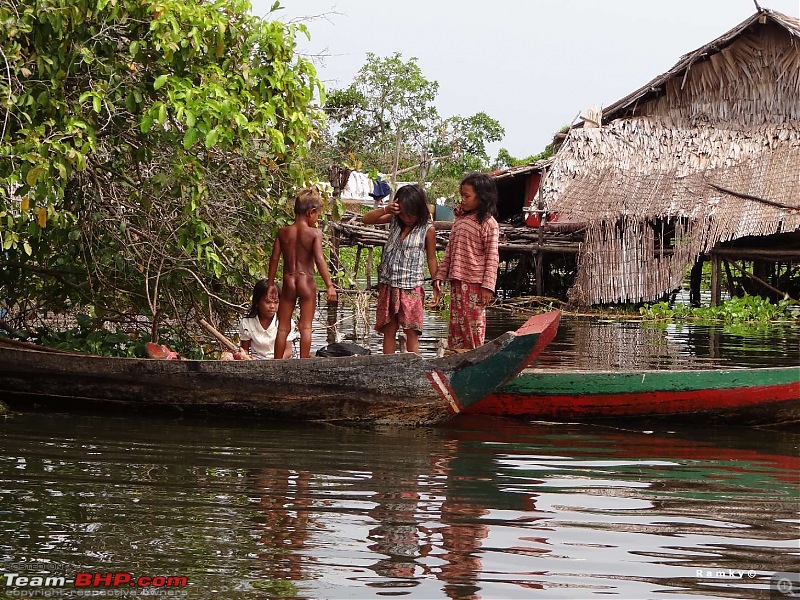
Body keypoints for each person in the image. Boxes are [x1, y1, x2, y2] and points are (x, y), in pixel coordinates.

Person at [362, 184, 439, 354]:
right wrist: (386, 209)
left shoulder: (427, 229)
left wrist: (436, 282)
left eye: (409, 213)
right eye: (402, 212)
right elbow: (366, 219)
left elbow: (431, 258)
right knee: (389, 331)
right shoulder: (394, 220)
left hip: (411, 287)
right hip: (389, 284)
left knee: (411, 332)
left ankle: (413, 370)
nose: (406, 217)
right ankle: (388, 369)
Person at [268, 187, 337, 359]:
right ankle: (303, 364)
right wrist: (329, 285)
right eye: (318, 215)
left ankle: (277, 364)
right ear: (311, 212)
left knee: (283, 327)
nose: (317, 219)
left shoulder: (283, 232)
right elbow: (320, 260)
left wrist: (270, 284)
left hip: (288, 282)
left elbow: (274, 259)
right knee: (305, 327)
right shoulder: (314, 233)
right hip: (306, 282)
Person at [433, 172, 500, 350]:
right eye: (462, 195)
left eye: (467, 196)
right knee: (456, 328)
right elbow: (450, 251)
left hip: (475, 284)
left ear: (482, 198)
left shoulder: (488, 223)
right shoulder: (461, 220)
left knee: (473, 329)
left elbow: (492, 257)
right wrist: (440, 275)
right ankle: (456, 360)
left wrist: (487, 287)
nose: (462, 200)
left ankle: (474, 361)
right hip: (457, 282)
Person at [222, 279, 298, 360]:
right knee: (227, 356)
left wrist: (273, 362)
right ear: (257, 302)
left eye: (276, 302)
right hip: (256, 360)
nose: (272, 306)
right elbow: (245, 350)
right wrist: (242, 355)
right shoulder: (247, 323)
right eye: (268, 302)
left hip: (278, 361)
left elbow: (288, 351)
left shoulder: (286, 323)